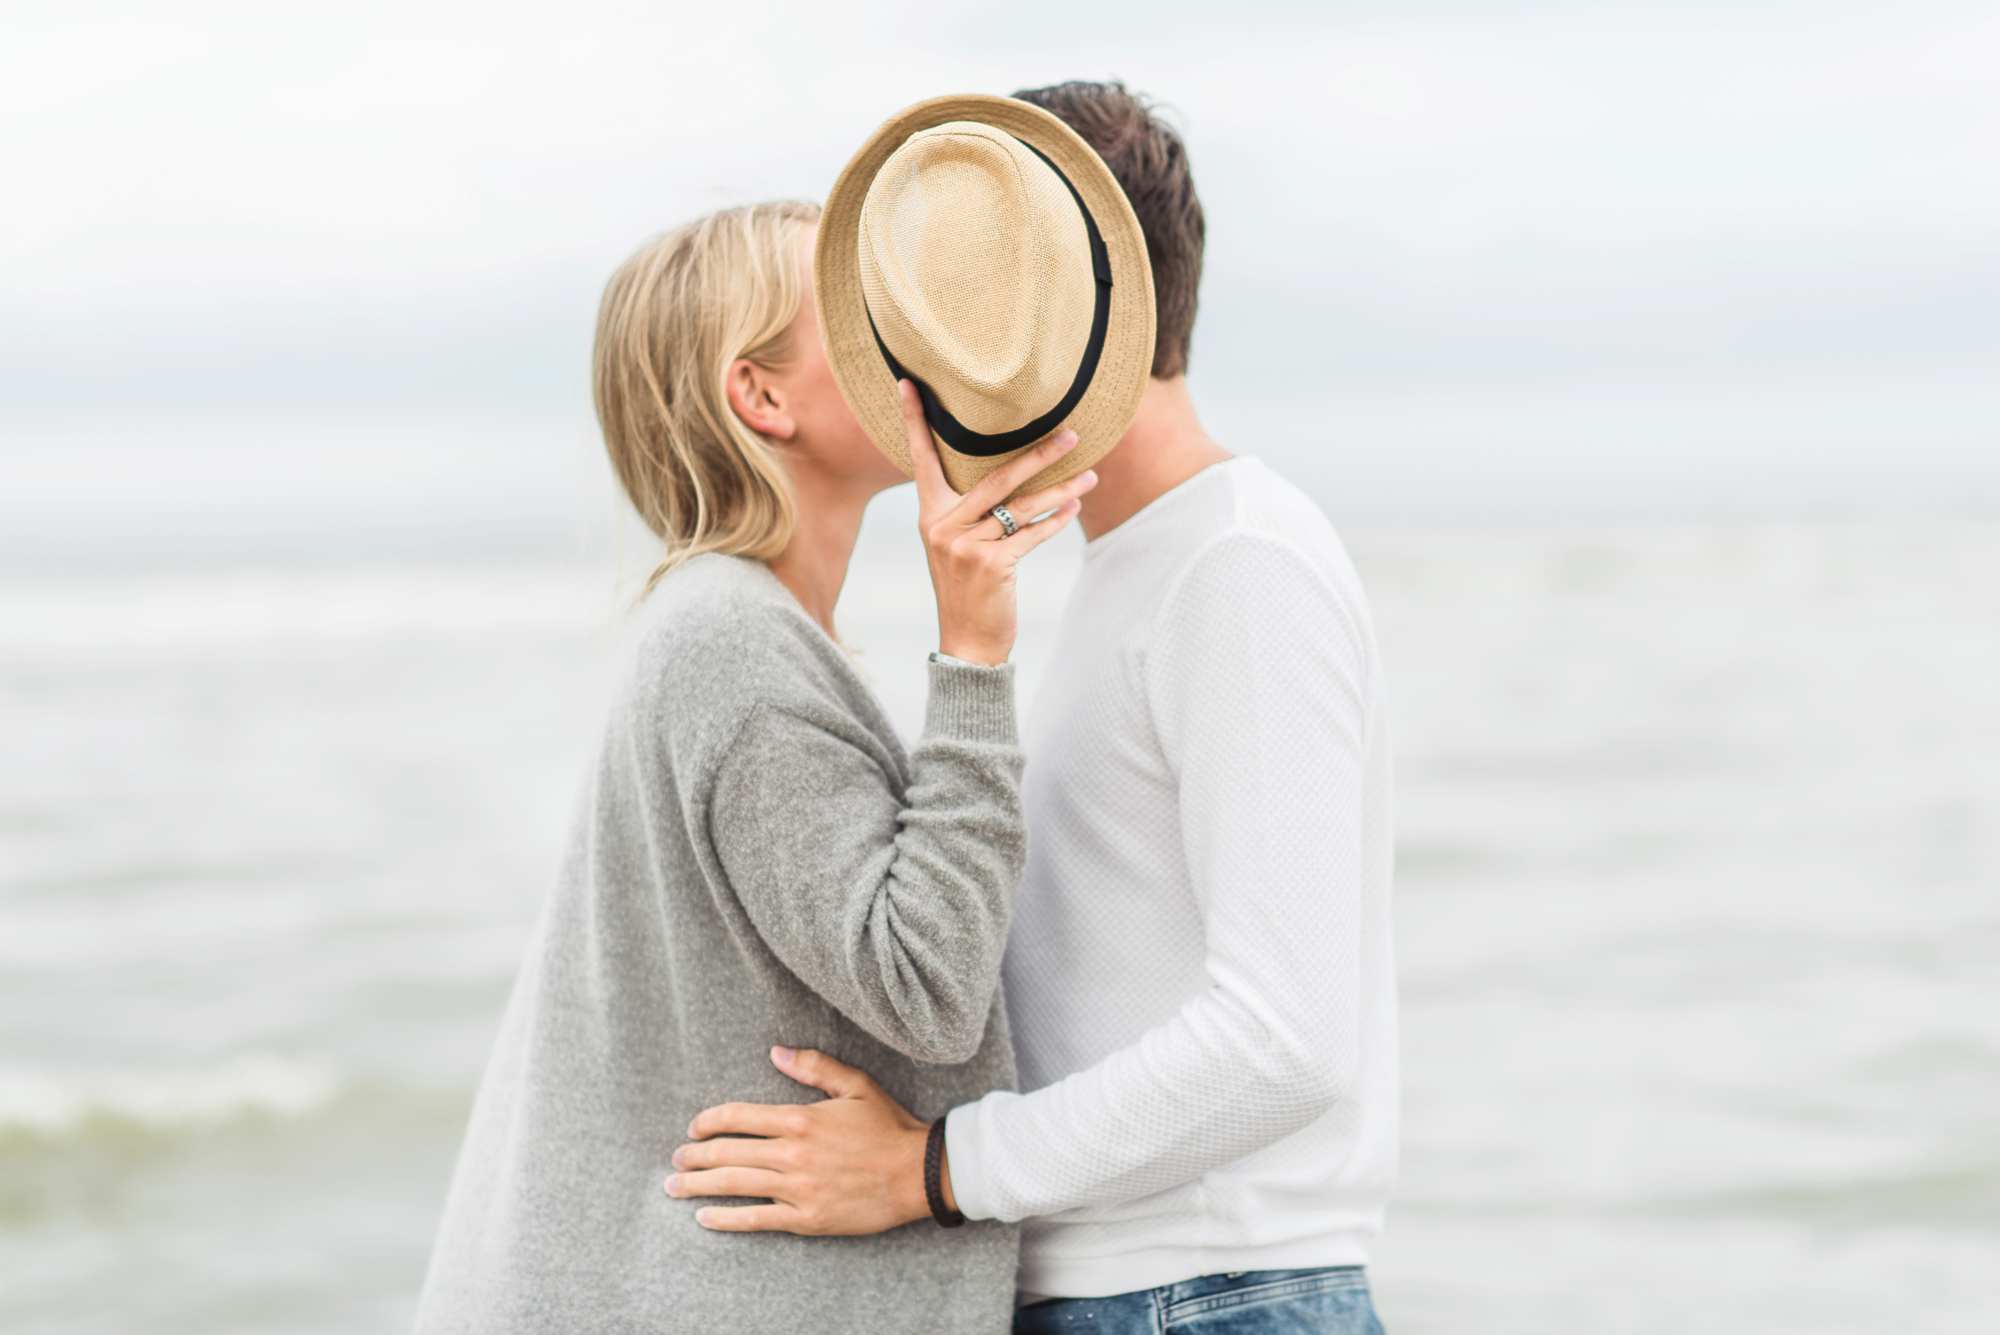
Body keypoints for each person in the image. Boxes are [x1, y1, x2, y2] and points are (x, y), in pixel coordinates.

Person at [673, 83, 1398, 1334]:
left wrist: (934, 1169)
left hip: (1201, 1293)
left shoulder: (1236, 566)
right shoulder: (1140, 564)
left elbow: (1286, 1039)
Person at [410, 198, 1102, 1334]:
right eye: (858, 307)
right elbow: (926, 988)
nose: (908, 321)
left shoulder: (738, 633)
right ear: (760, 396)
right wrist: (973, 655)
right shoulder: (733, 645)